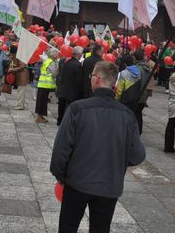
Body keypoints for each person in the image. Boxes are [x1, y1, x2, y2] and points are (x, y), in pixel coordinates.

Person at [50, 61, 145, 233]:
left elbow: (61, 150)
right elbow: (137, 154)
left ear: (97, 79)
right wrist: (117, 160)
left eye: (91, 76)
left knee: (68, 227)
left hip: (77, 181)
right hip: (109, 184)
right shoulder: (127, 115)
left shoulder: (77, 109)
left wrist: (60, 174)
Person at [56, 46, 84, 125]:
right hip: (71, 90)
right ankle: (66, 122)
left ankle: (59, 120)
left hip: (62, 88)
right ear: (79, 54)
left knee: (61, 106)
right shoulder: (78, 65)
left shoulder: (66, 62)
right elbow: (79, 80)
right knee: (68, 107)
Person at [35, 48, 58, 123]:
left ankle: (39, 116)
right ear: (53, 54)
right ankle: (40, 117)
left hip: (42, 83)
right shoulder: (51, 62)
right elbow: (54, 73)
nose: (57, 55)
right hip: (46, 84)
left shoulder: (47, 60)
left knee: (40, 101)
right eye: (56, 53)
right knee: (43, 101)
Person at [7, 46, 29, 110]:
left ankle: (20, 105)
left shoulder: (20, 56)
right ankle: (20, 104)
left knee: (21, 92)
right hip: (20, 76)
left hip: (22, 76)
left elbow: (22, 66)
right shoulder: (18, 55)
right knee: (20, 91)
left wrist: (12, 69)